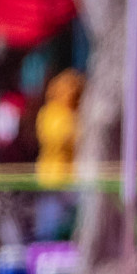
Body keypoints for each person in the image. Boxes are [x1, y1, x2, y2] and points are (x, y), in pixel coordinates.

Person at [34, 69, 84, 242]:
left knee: (74, 222)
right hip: (53, 177)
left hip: (73, 177)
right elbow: (59, 138)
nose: (69, 93)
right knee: (50, 224)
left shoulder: (78, 113)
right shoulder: (49, 113)